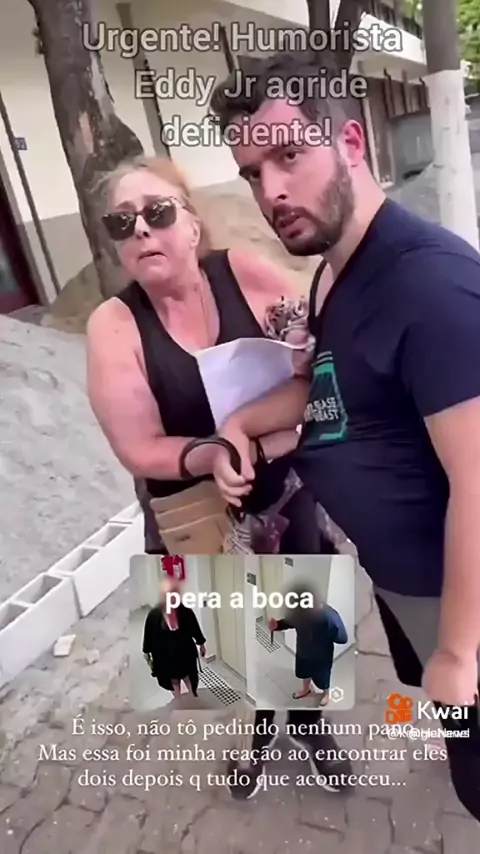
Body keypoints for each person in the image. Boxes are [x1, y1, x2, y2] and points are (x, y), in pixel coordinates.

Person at [208, 51, 480, 819]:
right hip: (408, 583)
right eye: (252, 173)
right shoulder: (335, 270)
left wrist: (459, 651)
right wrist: (242, 423)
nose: (271, 190)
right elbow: (331, 386)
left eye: (289, 155)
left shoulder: (426, 285)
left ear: (351, 143)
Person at [86, 154, 334, 556]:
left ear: (193, 227)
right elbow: (139, 449)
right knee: (214, 603)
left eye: (158, 212)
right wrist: (219, 453)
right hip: (195, 525)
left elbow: (316, 374)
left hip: (288, 501)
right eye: (122, 221)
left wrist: (246, 433)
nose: (141, 229)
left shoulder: (246, 273)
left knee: (306, 598)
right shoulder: (112, 326)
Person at [269, 581, 348, 704]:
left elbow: (343, 638)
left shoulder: (330, 617)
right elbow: (290, 622)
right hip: (303, 651)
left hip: (322, 657)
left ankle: (326, 694)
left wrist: (327, 634)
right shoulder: (300, 612)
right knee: (304, 673)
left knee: (323, 678)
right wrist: (277, 625)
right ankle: (306, 690)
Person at [142, 577, 206, 699]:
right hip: (169, 657)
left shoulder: (184, 612)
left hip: (181, 655)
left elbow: (195, 629)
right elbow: (148, 634)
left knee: (186, 680)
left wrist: (201, 643)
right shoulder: (155, 615)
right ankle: (182, 701)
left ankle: (190, 699)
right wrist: (146, 652)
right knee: (177, 682)